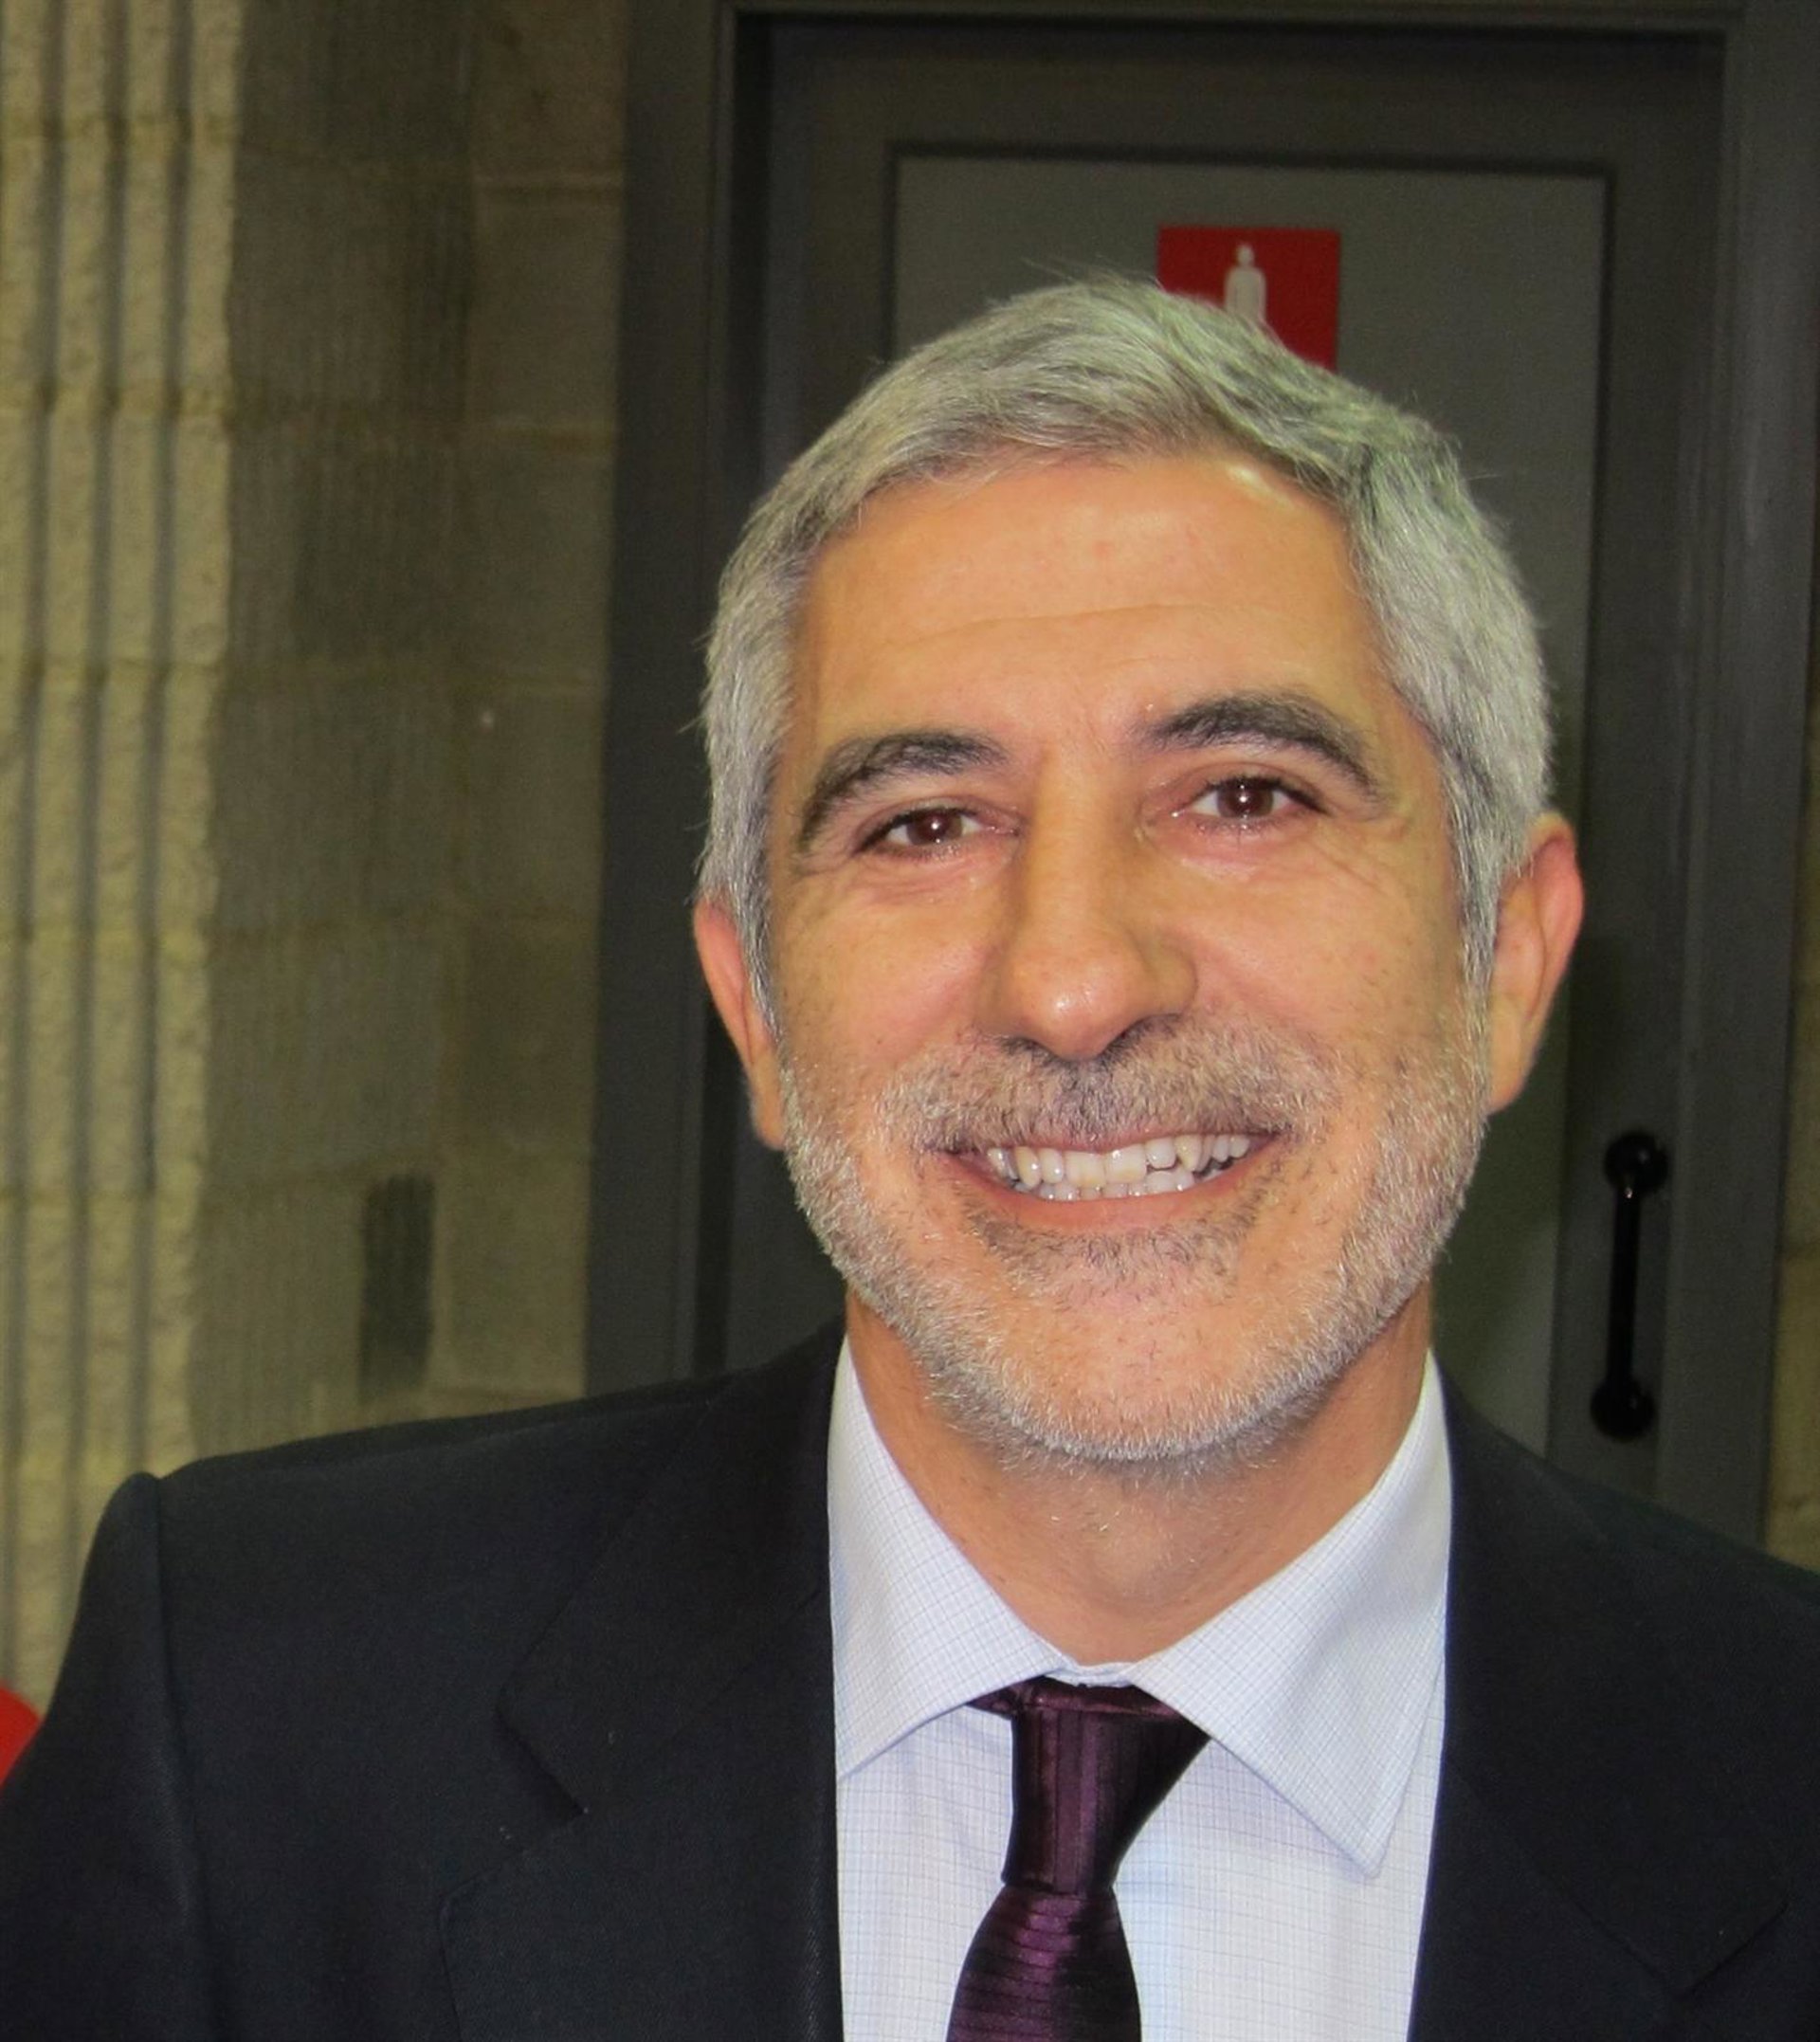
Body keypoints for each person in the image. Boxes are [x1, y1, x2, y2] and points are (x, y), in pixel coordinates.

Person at [2, 280, 1818, 2041]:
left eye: (1245, 795)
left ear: (1507, 956)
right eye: (926, 822)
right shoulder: (251, 1714)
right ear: (757, 1007)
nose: (1076, 981)